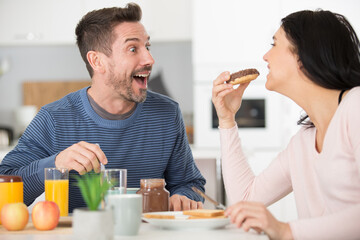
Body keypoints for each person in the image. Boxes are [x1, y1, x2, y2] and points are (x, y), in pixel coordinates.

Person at [0, 3, 205, 213]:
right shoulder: (54, 118)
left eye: (147, 47)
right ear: (97, 61)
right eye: (133, 49)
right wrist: (56, 164)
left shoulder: (167, 114)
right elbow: (3, 190)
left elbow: (190, 183)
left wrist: (184, 196)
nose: (149, 59)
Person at [212, 10, 360, 240]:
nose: (265, 56)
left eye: (274, 43)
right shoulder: (302, 143)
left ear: (303, 54)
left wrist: (286, 231)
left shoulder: (355, 107)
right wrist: (227, 119)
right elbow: (245, 198)